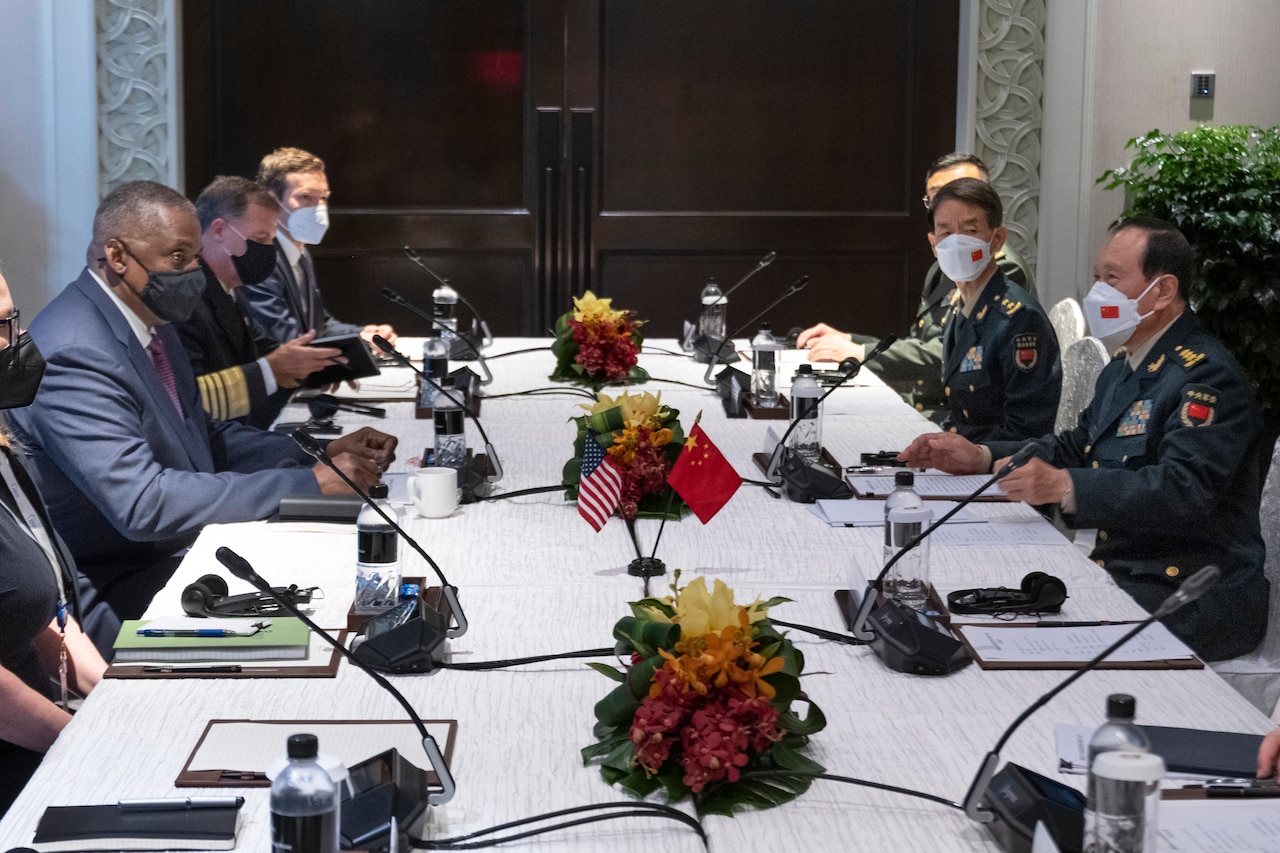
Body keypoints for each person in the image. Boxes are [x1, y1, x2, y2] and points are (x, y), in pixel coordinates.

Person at [5, 181, 397, 656]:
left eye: (194, 256)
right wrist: (308, 484)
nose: (194, 271)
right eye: (178, 257)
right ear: (117, 255)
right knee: (311, 638)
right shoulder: (74, 349)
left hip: (179, 557)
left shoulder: (148, 320)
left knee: (346, 584)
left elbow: (205, 441)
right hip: (116, 592)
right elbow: (144, 504)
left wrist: (316, 453)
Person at [899, 218, 1267, 661]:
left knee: (1019, 644)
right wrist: (979, 456)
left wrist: (1066, 486)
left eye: (1113, 278)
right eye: (1096, 277)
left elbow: (1182, 490)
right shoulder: (1126, 363)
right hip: (1126, 567)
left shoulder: (1205, 376)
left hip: (1189, 590)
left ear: (1163, 291)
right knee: (975, 601)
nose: (1098, 291)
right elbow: (1076, 446)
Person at [797, 152, 1037, 421]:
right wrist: (851, 341)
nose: (951, 201)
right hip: (926, 406)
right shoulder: (943, 266)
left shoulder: (1001, 269)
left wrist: (860, 353)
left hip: (953, 416)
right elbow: (922, 342)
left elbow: (951, 357)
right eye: (937, 194)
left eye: (964, 192)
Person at [0, 268, 107, 813]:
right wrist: (84, 742)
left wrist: (115, 698)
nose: (13, 343)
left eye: (9, 321)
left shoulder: (1, 441)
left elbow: (24, 602)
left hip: (42, 725)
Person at [177, 175, 342, 428]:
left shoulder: (232, 290)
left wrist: (310, 365)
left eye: (270, 240)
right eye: (260, 239)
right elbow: (192, 402)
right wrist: (275, 369)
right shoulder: (186, 300)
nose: (269, 250)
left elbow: (264, 351)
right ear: (219, 230)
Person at [241, 147, 396, 346]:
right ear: (272, 200)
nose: (319, 208)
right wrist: (361, 346)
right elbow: (286, 342)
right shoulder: (259, 260)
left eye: (323, 197)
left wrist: (365, 335)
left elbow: (319, 328)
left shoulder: (301, 253)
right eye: (306, 197)